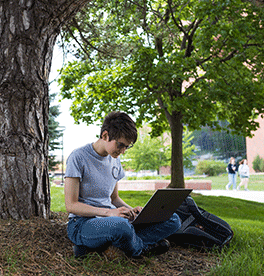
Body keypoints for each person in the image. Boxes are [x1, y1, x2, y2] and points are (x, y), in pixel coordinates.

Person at [64, 111, 181, 259]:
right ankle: (140, 249)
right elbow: (71, 205)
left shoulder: (115, 160)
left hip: (112, 220)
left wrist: (133, 211)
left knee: (173, 219)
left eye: (127, 147)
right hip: (82, 223)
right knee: (121, 227)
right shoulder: (78, 157)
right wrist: (109, 213)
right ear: (105, 135)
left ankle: (116, 245)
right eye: (120, 145)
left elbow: (114, 199)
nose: (123, 151)